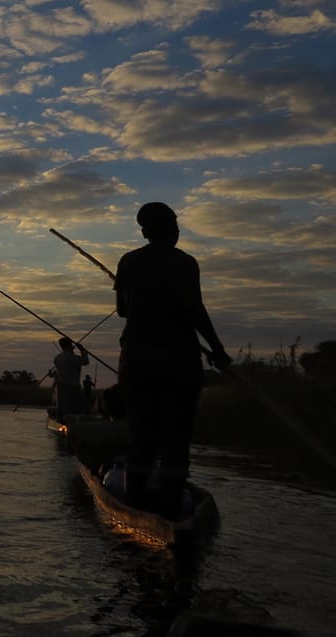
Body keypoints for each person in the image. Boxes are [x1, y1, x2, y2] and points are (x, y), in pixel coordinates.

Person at [115, 202, 232, 518]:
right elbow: (195, 310)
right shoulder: (185, 263)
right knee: (177, 435)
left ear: (144, 232)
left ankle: (134, 503)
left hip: (137, 360)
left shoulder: (128, 261)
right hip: (179, 360)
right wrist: (217, 351)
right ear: (174, 230)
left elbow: (123, 310)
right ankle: (170, 506)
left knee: (141, 432)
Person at [53, 336, 90, 417]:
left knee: (64, 408)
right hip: (73, 387)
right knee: (79, 408)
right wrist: (82, 350)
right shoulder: (72, 357)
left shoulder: (57, 358)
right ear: (70, 345)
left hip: (61, 388)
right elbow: (85, 361)